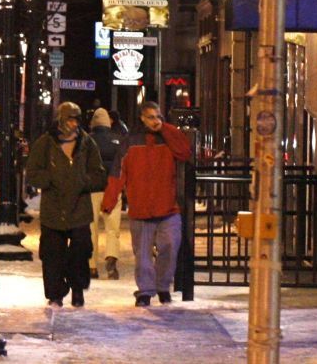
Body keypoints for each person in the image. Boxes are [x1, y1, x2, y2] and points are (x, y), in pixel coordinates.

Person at [102, 101, 192, 306]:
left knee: (170, 247)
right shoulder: (130, 142)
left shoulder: (168, 138)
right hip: (141, 208)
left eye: (158, 116)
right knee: (142, 255)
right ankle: (145, 290)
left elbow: (184, 151)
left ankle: (162, 286)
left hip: (167, 206)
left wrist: (166, 129)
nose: (156, 121)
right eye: (151, 117)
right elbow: (118, 173)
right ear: (142, 118)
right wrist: (110, 199)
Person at [24, 100, 108, 307]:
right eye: (70, 119)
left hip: (79, 209)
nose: (73, 124)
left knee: (80, 252)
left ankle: (77, 289)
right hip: (53, 209)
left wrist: (81, 181)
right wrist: (51, 179)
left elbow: (99, 175)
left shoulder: (87, 143)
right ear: (61, 120)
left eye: (76, 119)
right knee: (52, 254)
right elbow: (33, 173)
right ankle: (55, 293)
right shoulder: (45, 143)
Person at [88, 108, 126, 279]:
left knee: (91, 228)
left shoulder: (87, 141)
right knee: (112, 228)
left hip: (92, 190)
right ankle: (111, 259)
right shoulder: (118, 140)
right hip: (112, 189)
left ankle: (91, 266)